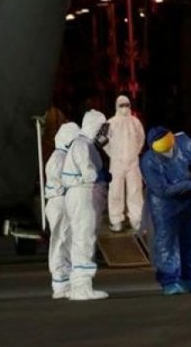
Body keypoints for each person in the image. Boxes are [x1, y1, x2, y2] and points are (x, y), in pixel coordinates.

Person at [139, 127, 191, 295]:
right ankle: (169, 280)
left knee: (189, 239)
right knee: (166, 241)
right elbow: (162, 190)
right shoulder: (148, 161)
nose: (169, 151)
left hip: (187, 202)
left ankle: (188, 277)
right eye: (163, 148)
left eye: (170, 145)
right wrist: (189, 184)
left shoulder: (184, 143)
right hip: (163, 205)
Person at [62, 109, 110, 301]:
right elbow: (89, 173)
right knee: (84, 238)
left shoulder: (84, 144)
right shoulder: (82, 145)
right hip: (83, 194)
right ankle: (82, 287)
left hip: (81, 194)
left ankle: (79, 285)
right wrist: (100, 177)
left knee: (82, 238)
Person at [44, 122, 80, 299]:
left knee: (67, 242)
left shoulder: (61, 156)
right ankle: (60, 283)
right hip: (60, 202)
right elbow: (66, 181)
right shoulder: (59, 158)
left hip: (63, 201)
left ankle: (66, 281)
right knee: (60, 242)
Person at [105, 95, 145, 233]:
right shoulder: (109, 123)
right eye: (121, 105)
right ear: (117, 106)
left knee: (135, 192)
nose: (124, 108)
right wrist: (112, 154)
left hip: (133, 163)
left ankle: (136, 220)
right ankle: (116, 221)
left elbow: (141, 139)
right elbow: (100, 139)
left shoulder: (136, 122)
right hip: (116, 164)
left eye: (126, 104)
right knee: (115, 192)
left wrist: (135, 153)